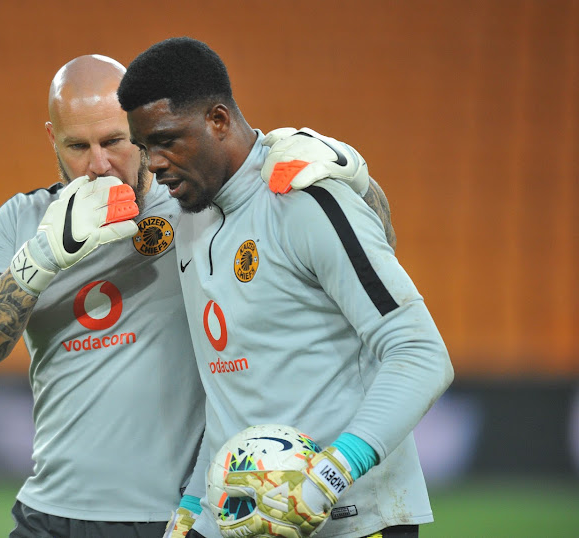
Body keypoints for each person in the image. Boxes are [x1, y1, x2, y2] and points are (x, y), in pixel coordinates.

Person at [0, 54, 379, 538]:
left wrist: (358, 179)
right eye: (77, 146)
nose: (99, 164)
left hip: (175, 517)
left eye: (114, 141)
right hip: (47, 513)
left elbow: (364, 253)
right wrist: (40, 260)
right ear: (52, 139)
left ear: (139, 127)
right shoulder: (21, 221)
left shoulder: (196, 202)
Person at [117, 37, 454, 538]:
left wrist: (328, 479)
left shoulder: (305, 199)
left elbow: (421, 353)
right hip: (242, 520)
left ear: (218, 120)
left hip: (351, 521)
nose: (155, 163)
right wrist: (191, 507)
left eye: (167, 140)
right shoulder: (188, 221)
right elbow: (231, 392)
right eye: (145, 148)